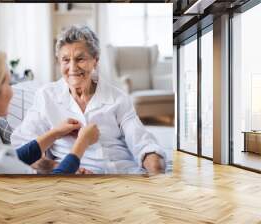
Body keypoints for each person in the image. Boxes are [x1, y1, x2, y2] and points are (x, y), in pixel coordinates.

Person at [11, 25, 167, 174]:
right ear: (59, 62)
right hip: (76, 181)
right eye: (65, 60)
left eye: (80, 59)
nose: (72, 68)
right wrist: (59, 167)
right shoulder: (46, 96)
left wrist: (155, 167)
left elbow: (141, 142)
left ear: (95, 61)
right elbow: (24, 150)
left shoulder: (118, 98)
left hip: (124, 173)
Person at [0, 43, 99, 174]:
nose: (12, 91)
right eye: (7, 83)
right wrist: (82, 143)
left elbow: (16, 157)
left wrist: (55, 133)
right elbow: (56, 184)